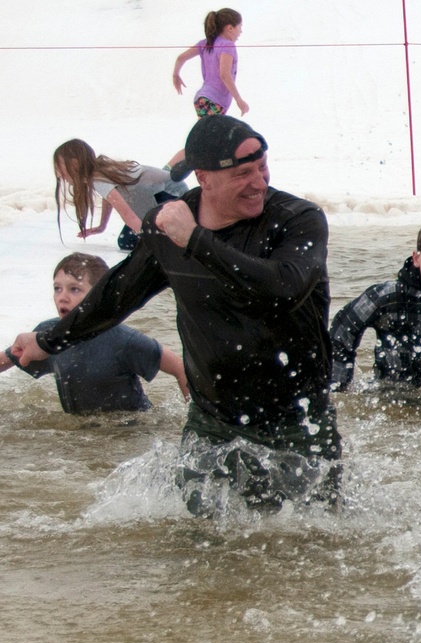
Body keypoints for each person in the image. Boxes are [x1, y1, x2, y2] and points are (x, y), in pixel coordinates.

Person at [11, 115, 337, 514]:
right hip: (213, 420)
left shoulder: (297, 219)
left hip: (297, 417)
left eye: (263, 167)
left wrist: (197, 241)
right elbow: (115, 296)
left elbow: (282, 288)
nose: (260, 183)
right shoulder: (167, 228)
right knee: (198, 546)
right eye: (244, 173)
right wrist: (47, 340)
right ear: (204, 177)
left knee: (314, 544)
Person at [0, 253, 187, 413]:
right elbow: (8, 357)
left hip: (132, 430)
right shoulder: (47, 335)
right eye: (57, 288)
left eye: (74, 289)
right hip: (81, 432)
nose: (62, 297)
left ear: (98, 296)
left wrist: (193, 417)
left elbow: (179, 367)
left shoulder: (122, 340)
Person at [329, 219, 421, 391]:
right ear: (416, 258)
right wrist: (339, 386)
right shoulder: (386, 297)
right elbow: (342, 328)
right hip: (389, 399)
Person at [53, 139, 188, 251]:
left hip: (170, 194)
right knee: (127, 240)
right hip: (158, 193)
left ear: (74, 164)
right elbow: (109, 198)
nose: (58, 174)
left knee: (132, 241)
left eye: (59, 168)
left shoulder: (98, 179)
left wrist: (150, 241)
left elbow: (127, 215)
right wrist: (102, 226)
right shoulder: (99, 172)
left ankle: (171, 238)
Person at [172, 8, 249, 117]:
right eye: (240, 26)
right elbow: (224, 74)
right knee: (213, 133)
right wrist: (239, 100)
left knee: (205, 133)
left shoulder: (204, 43)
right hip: (214, 102)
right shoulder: (228, 46)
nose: (241, 31)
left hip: (202, 99)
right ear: (230, 28)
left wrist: (176, 75)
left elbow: (181, 58)